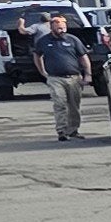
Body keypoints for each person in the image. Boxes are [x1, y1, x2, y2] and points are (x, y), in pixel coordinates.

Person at [30, 12, 89, 143]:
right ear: (51, 27)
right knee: (60, 104)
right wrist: (42, 71)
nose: (61, 30)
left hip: (74, 78)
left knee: (74, 106)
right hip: (55, 78)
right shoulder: (43, 41)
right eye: (58, 27)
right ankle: (62, 131)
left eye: (63, 27)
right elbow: (37, 55)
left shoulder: (73, 40)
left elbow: (83, 57)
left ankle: (73, 130)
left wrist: (88, 74)